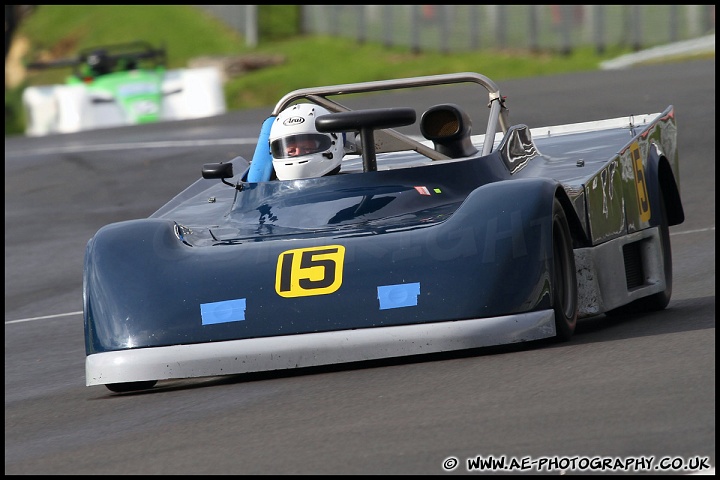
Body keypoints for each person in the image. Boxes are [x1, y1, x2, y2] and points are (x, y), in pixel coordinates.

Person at [269, 103, 345, 180]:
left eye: (307, 148)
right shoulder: (268, 190)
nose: (298, 153)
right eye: (291, 151)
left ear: (333, 143)